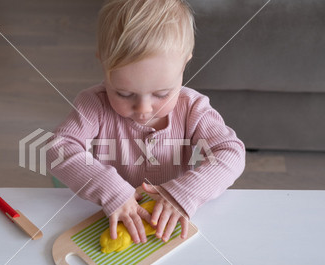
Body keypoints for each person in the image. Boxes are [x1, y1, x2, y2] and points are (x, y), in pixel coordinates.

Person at [46, 0, 245, 245]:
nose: (144, 109)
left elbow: (231, 153)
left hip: (168, 220)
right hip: (104, 212)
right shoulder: (93, 104)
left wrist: (183, 193)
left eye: (161, 94)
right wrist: (112, 191)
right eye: (124, 94)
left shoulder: (193, 107)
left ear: (185, 63)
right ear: (103, 63)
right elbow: (58, 149)